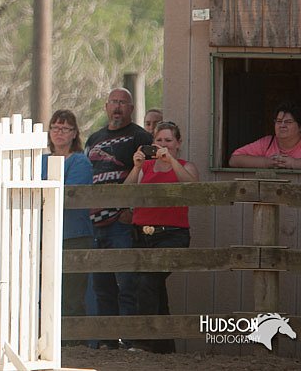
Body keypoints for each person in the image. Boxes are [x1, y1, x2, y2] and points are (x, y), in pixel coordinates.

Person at [85, 88, 153, 349]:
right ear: (105, 107)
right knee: (102, 285)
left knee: (127, 283)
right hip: (95, 221)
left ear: (131, 108)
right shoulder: (94, 138)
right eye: (113, 102)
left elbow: (148, 175)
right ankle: (107, 340)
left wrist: (132, 209)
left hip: (121, 222)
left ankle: (130, 340)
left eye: (123, 103)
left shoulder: (140, 136)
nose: (117, 107)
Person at [123, 121, 199, 353]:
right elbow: (124, 194)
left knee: (148, 282)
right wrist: (136, 167)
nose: (163, 145)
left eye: (168, 140)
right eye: (158, 141)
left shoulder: (186, 166)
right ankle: (165, 347)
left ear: (178, 143)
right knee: (153, 286)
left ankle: (143, 342)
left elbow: (194, 187)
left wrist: (171, 162)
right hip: (142, 235)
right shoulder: (145, 168)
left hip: (171, 235)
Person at [41, 109, 93, 345]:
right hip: (44, 237)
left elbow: (67, 196)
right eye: (55, 127)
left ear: (75, 133)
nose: (59, 133)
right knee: (47, 293)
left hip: (73, 236)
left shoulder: (80, 161)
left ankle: (74, 343)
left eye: (65, 128)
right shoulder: (40, 160)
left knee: (72, 294)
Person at [228, 101, 301, 170]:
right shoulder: (267, 142)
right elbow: (234, 159)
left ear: (300, 127)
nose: (282, 125)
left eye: (288, 122)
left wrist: (294, 163)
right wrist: (267, 162)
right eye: (278, 121)